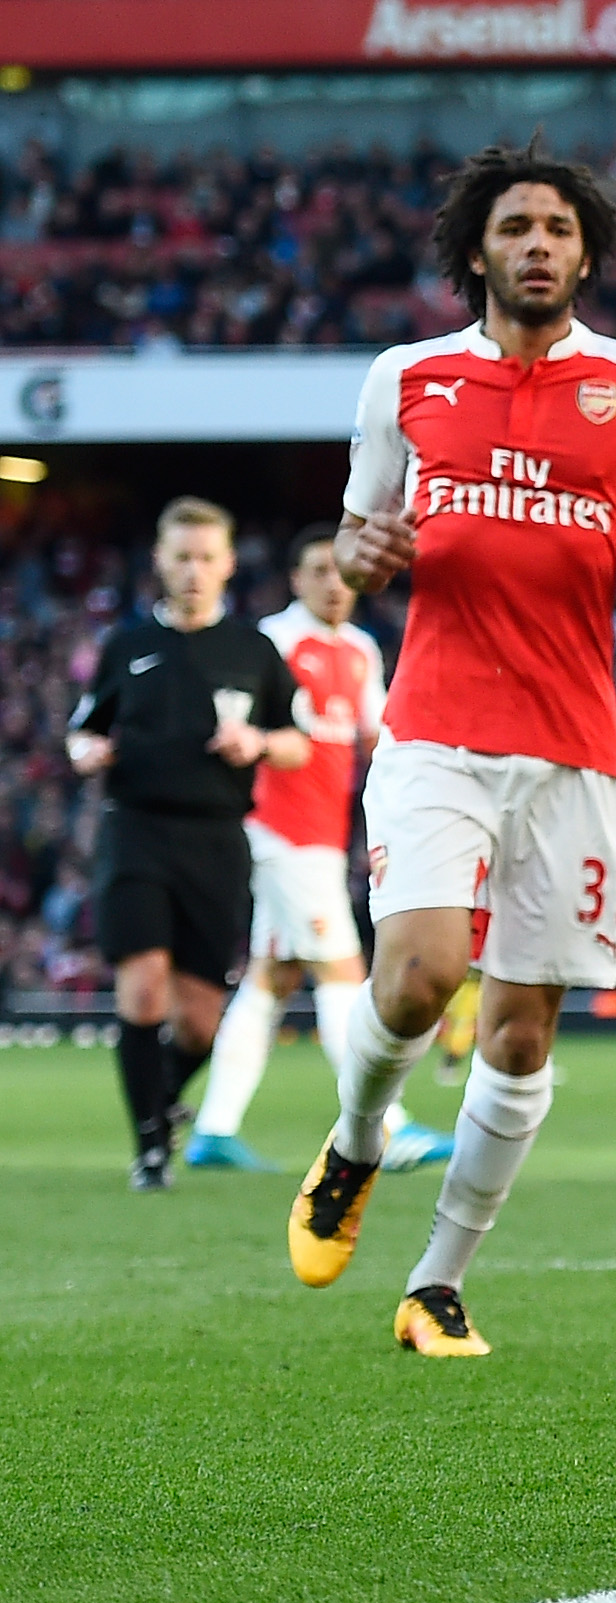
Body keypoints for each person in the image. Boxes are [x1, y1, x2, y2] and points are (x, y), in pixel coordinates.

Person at [286, 140, 616, 1359]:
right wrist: (365, 557)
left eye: (561, 232)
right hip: (436, 732)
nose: (540, 247)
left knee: (523, 1033)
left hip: (575, 749)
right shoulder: (406, 378)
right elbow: (363, 537)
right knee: (417, 976)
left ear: (587, 253)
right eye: (518, 228)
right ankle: (357, 1143)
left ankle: (436, 1283)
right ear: (477, 249)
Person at [190, 524, 453, 1174]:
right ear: (296, 578)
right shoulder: (273, 642)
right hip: (280, 831)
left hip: (324, 834)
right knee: (341, 969)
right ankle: (385, 1125)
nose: (334, 584)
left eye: (342, 572)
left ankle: (214, 1131)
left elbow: (378, 734)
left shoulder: (361, 648)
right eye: (319, 571)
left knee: (272, 979)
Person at [66, 497, 309, 1190]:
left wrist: (257, 741)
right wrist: (85, 749)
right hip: (136, 830)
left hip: (216, 839)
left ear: (228, 563)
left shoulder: (253, 651)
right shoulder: (127, 646)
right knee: (142, 990)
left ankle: (161, 1099)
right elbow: (83, 726)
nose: (194, 570)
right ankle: (148, 1145)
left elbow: (298, 743)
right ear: (160, 563)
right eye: (182, 557)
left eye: (207, 557)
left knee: (200, 1021)